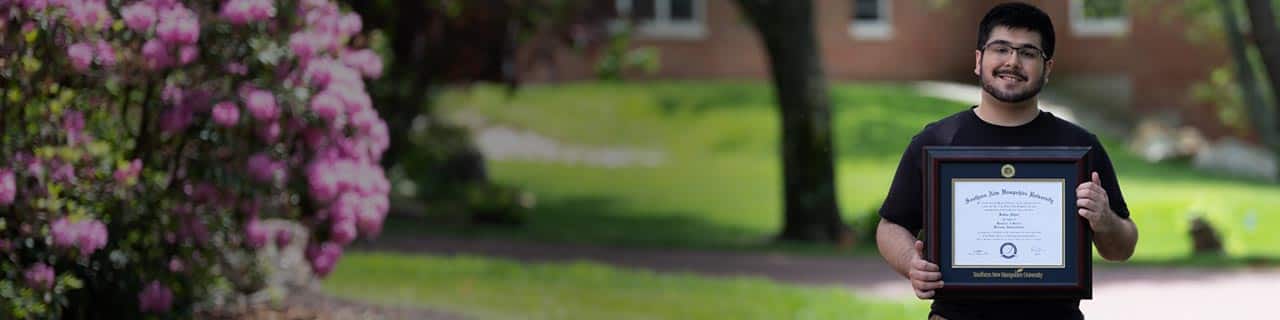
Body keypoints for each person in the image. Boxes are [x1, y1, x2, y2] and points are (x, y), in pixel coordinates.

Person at [874, 2, 1139, 320]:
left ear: (1048, 67)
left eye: (1028, 53)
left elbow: (1121, 247)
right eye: (1001, 49)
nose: (1012, 62)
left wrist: (1105, 219)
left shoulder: (1078, 146)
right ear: (978, 59)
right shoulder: (937, 142)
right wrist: (912, 264)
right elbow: (891, 226)